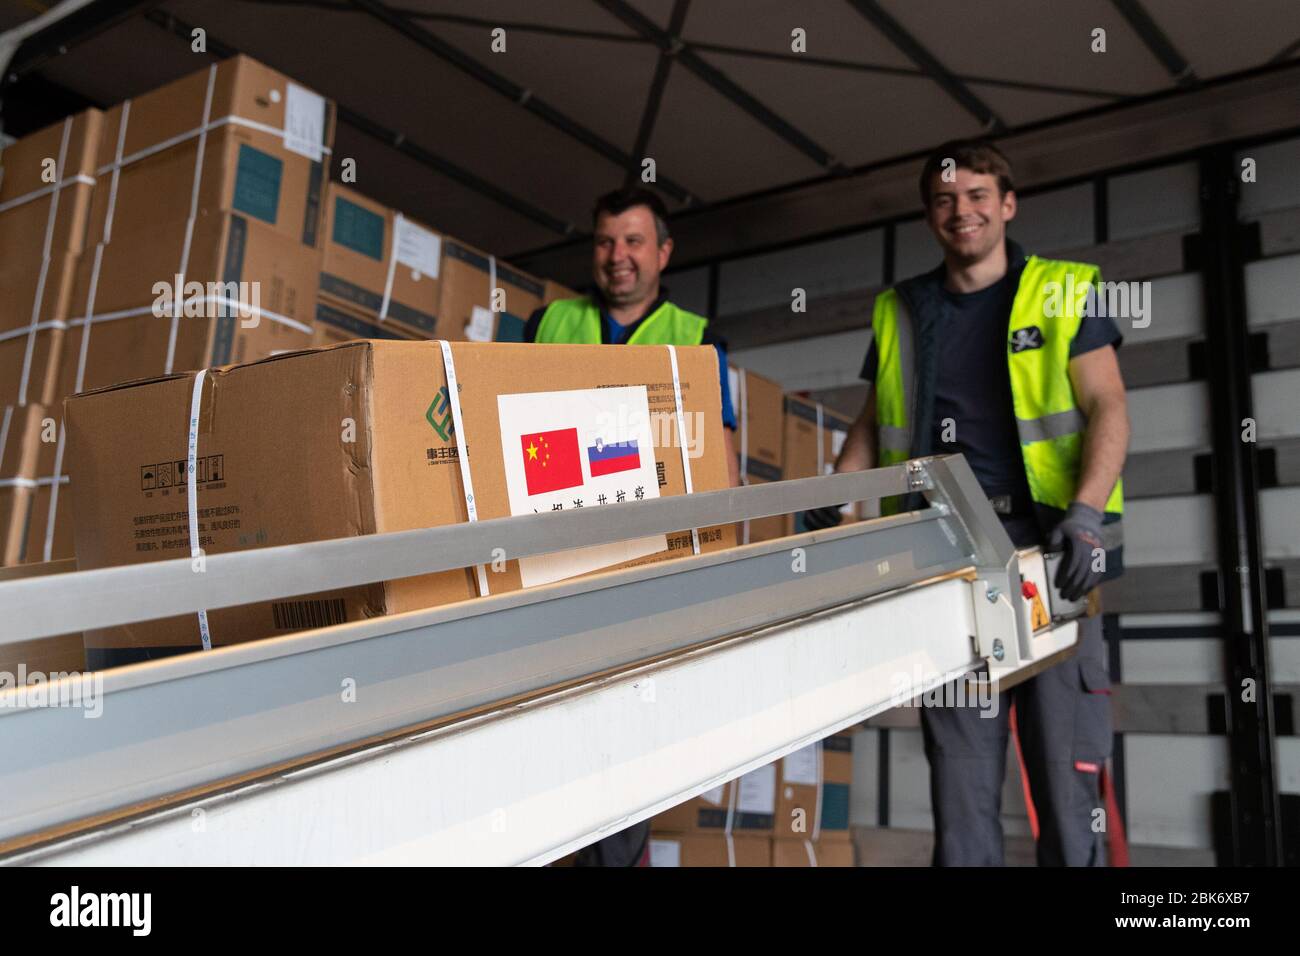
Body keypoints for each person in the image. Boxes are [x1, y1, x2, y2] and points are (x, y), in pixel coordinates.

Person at [806, 139, 1128, 866]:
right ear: (930, 215)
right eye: (947, 199)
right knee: (960, 788)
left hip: (1049, 559)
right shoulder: (901, 310)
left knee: (1065, 780)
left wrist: (1085, 514)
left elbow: (1109, 406)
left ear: (1007, 205)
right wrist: (841, 496)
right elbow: (874, 414)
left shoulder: (1064, 289)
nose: (964, 211)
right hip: (946, 559)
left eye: (979, 195)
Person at [524, 186, 740, 865]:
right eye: (605, 241)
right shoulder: (545, 323)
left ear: (664, 252)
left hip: (646, 572)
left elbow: (721, 468)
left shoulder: (698, 337)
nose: (618, 257)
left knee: (623, 748)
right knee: (545, 741)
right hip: (547, 564)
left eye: (634, 241)